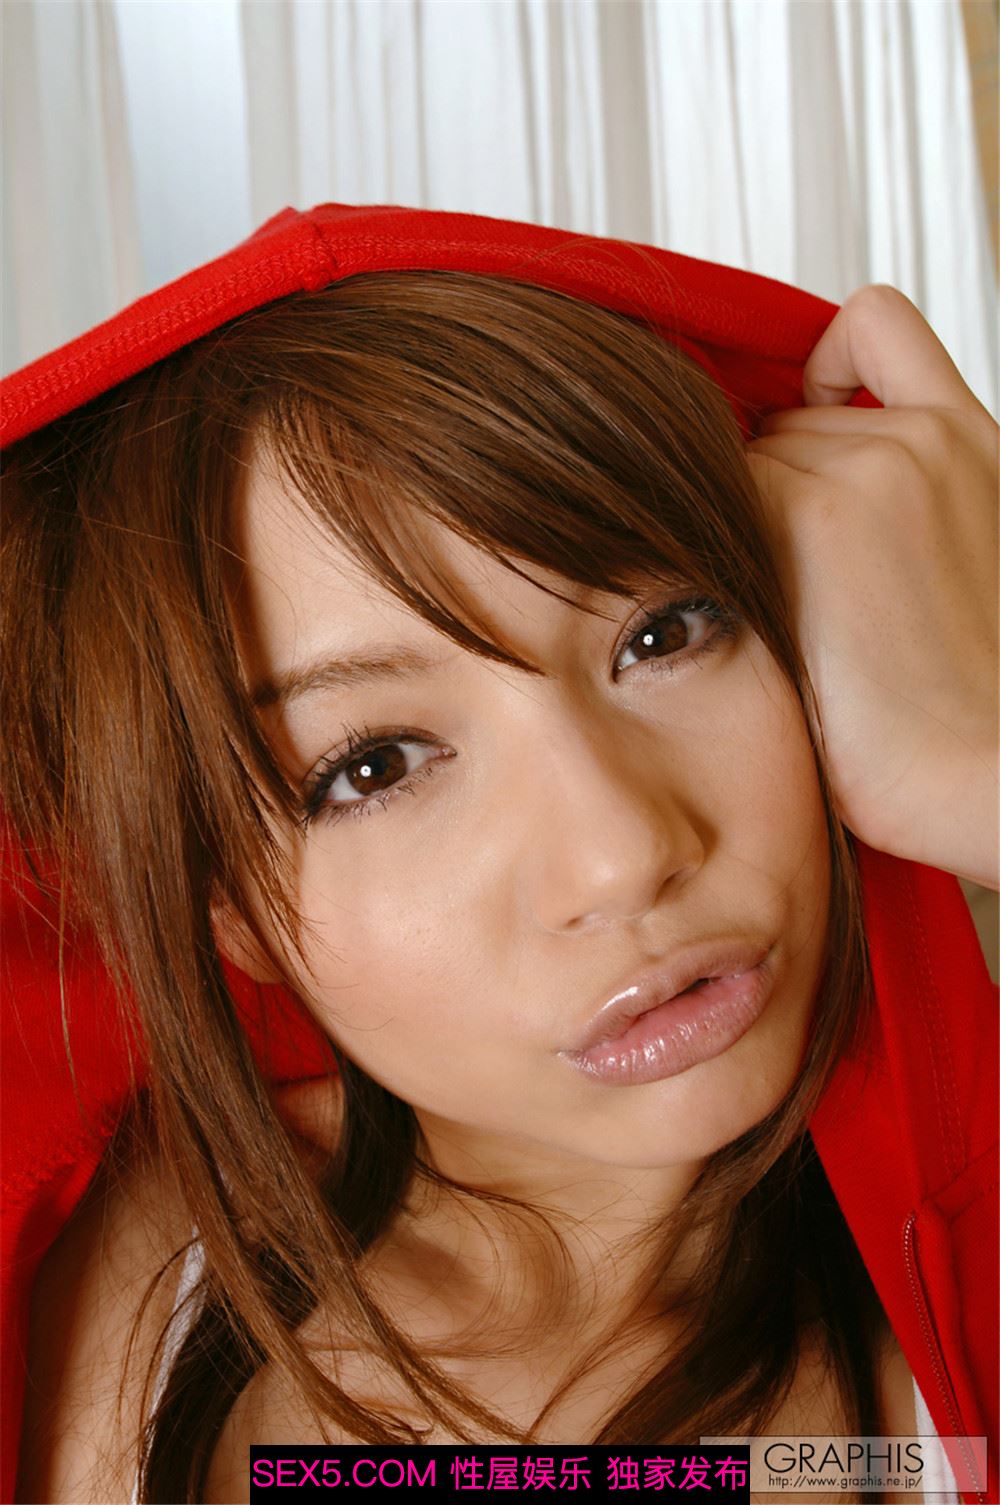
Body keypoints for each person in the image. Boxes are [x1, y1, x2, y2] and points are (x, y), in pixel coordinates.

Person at [1, 204, 995, 1505]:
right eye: (374, 765)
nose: (622, 855)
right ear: (222, 903)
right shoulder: (128, 1293)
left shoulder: (939, 1387)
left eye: (663, 634)